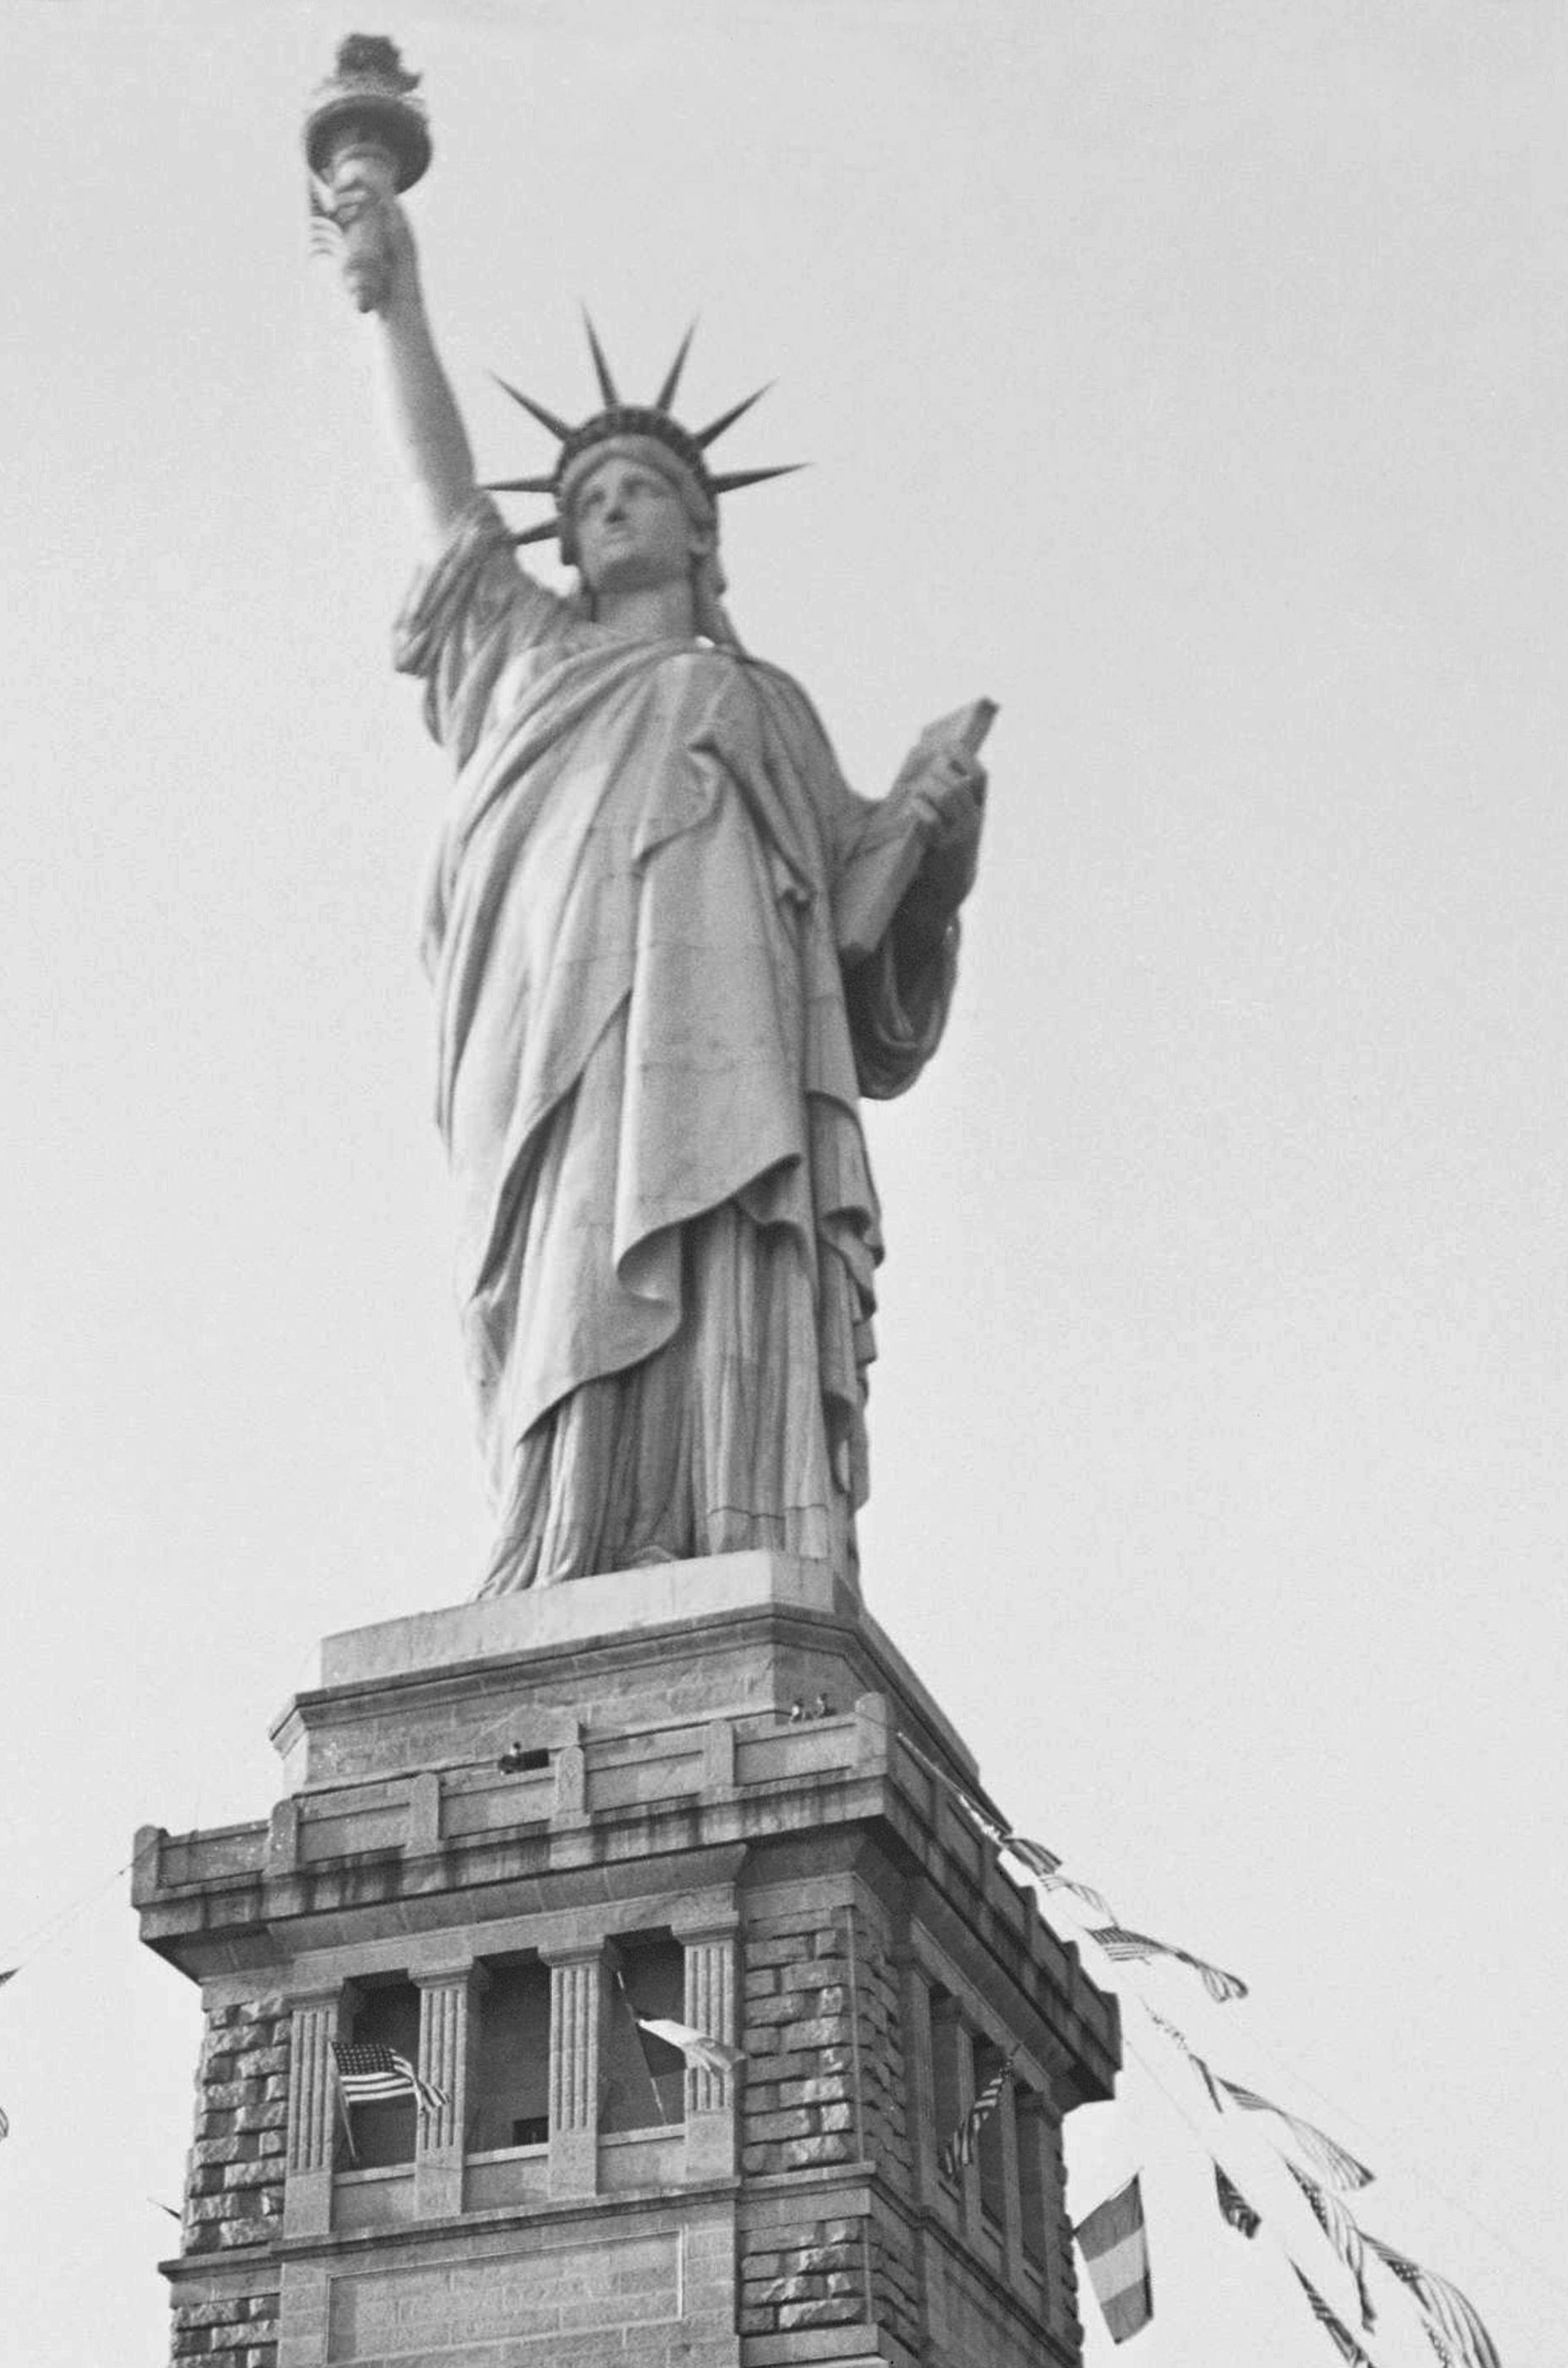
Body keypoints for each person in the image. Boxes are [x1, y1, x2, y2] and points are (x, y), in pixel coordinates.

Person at [320, 159, 988, 1595]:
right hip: (558, 1047)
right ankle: (570, 1533)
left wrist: (933, 844)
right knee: (573, 1270)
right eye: (589, 499)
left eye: (642, 491)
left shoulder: (767, 708)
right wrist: (395, 300)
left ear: (702, 526)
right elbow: (443, 503)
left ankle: (740, 1522)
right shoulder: (528, 657)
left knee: (733, 1248)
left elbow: (867, 979)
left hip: (727, 1060)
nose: (610, 513)